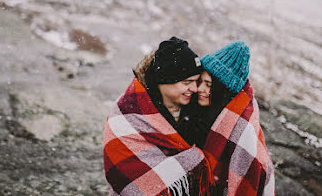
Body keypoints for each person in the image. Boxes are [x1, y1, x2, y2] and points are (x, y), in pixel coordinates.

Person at [103, 37, 210, 196]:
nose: (195, 88)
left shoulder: (195, 107)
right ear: (165, 80)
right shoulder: (129, 112)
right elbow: (126, 174)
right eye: (187, 82)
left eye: (196, 81)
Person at [194, 41, 275, 195]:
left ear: (221, 89)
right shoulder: (205, 110)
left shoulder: (240, 129)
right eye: (200, 81)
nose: (200, 89)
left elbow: (248, 175)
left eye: (208, 85)